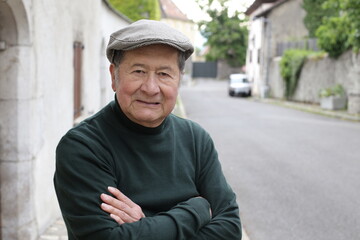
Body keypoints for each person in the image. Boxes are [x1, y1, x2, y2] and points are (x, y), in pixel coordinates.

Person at [54, 19, 241, 240]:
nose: (151, 88)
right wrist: (196, 211)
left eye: (164, 74)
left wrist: (145, 225)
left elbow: (230, 229)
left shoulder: (195, 139)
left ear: (178, 80)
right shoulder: (83, 147)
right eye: (139, 71)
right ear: (114, 76)